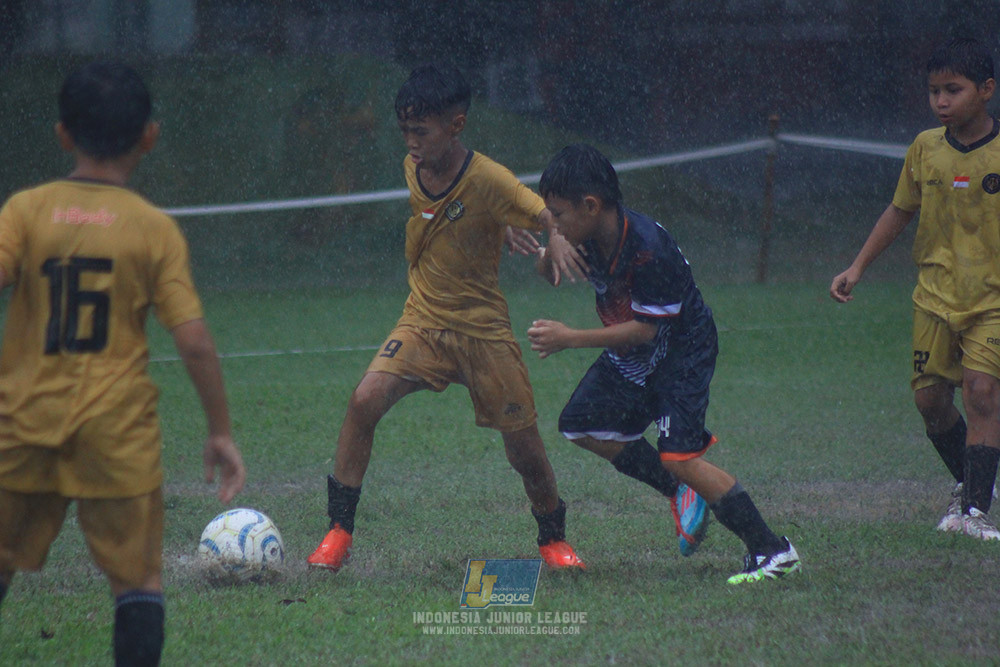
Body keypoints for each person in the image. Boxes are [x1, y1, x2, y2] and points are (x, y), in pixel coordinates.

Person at [0, 61, 246, 665]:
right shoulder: (152, 229)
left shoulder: (27, 211)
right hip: (116, 435)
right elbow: (192, 340)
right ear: (148, 137)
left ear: (62, 135)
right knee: (136, 584)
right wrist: (218, 430)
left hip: (23, 423)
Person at [306, 63, 593, 571]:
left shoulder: (489, 178)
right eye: (406, 132)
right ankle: (338, 532)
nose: (412, 143)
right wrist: (494, 225)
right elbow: (449, 214)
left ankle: (553, 539)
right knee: (363, 400)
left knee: (524, 450)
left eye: (422, 131)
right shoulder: (413, 167)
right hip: (422, 320)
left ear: (456, 125)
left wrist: (553, 237)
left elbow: (545, 213)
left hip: (483, 332)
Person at [528, 144, 801, 584]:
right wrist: (549, 252)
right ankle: (678, 490)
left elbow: (645, 331)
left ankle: (773, 550)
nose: (552, 223)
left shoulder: (647, 249)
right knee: (580, 423)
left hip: (680, 351)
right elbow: (552, 269)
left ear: (591, 206)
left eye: (557, 214)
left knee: (681, 456)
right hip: (635, 353)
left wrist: (569, 338)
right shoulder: (586, 235)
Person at [831, 37, 1000, 541]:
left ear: (986, 90)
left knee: (982, 392)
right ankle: (974, 484)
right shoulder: (925, 149)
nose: (941, 101)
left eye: (953, 90)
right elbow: (900, 210)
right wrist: (858, 266)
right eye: (933, 92)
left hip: (992, 299)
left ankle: (974, 512)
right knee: (930, 402)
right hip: (933, 297)